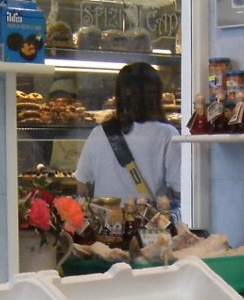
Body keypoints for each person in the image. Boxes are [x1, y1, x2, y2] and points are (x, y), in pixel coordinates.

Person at [75, 61, 181, 206]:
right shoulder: (167, 134)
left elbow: (82, 187)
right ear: (156, 95)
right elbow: (180, 189)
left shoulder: (99, 133)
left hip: (107, 223)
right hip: (148, 225)